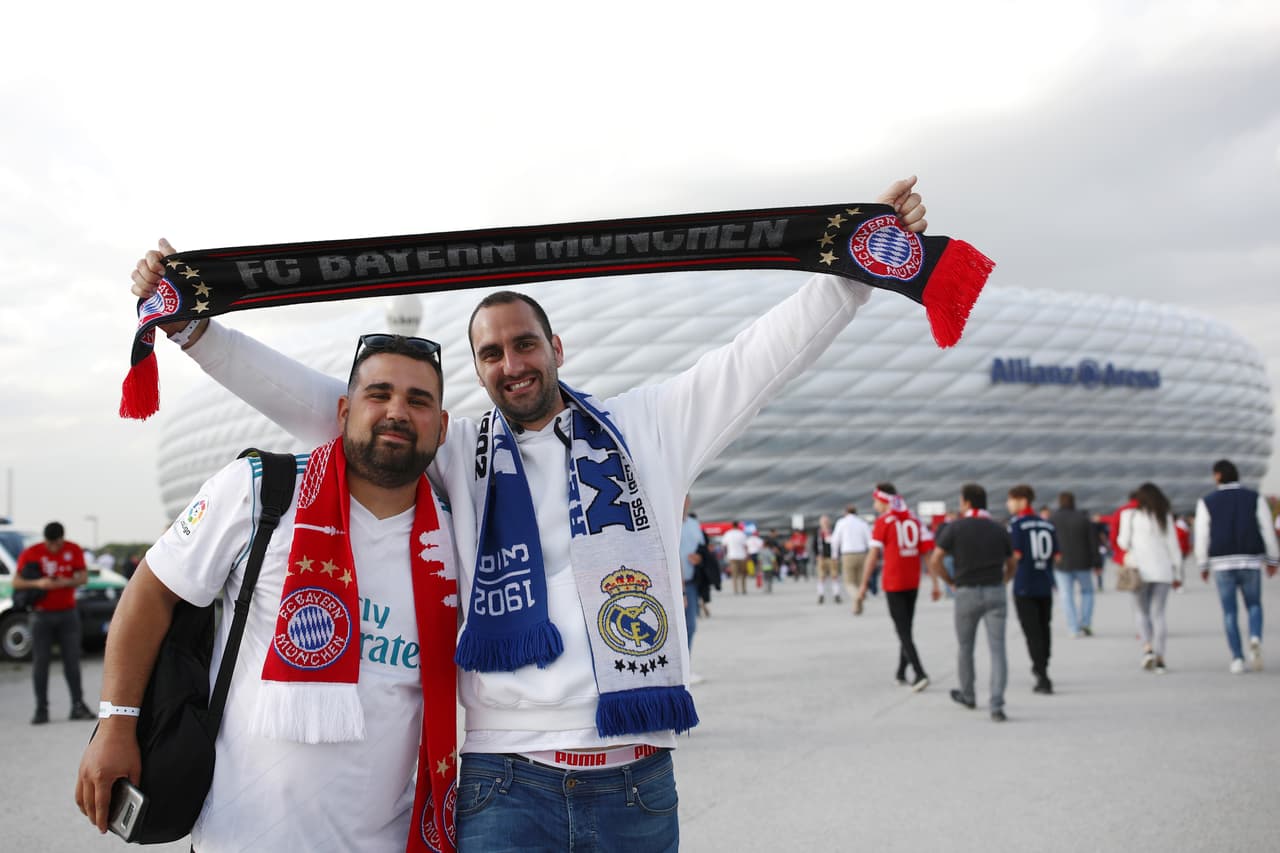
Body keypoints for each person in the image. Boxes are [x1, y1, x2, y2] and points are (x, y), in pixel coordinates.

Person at [128, 176, 932, 849]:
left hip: (635, 778)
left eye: (524, 344)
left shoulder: (651, 427)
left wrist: (855, 268)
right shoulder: (455, 445)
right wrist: (197, 330)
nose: (511, 363)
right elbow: (324, 405)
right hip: (504, 778)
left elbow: (763, 354)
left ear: (556, 347)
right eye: (490, 352)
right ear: (476, 370)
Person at [76, 334, 460, 850]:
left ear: (442, 427)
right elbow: (150, 593)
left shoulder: (458, 537)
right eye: (379, 393)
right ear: (343, 410)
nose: (397, 411)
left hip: (386, 838)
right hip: (241, 834)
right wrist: (115, 725)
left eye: (418, 401)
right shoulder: (262, 490)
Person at [928, 484, 1015, 722]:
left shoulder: (955, 528)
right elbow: (1012, 561)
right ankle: (996, 704)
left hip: (966, 591)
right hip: (995, 591)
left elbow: (935, 560)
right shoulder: (999, 528)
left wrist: (950, 582)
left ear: (966, 502)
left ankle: (968, 694)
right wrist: (1004, 580)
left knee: (965, 647)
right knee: (998, 650)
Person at [1193, 459, 1280, 674]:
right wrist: (1272, 559)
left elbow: (1202, 536)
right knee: (1254, 605)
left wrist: (1202, 564)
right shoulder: (1254, 498)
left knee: (1229, 611)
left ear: (1217, 476)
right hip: (1250, 559)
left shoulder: (1207, 502)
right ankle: (1255, 638)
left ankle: (1237, 658)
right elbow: (1267, 530)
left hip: (1222, 563)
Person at [858, 484, 938, 691]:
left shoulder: (883, 522)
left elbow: (873, 556)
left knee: (903, 631)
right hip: (913, 581)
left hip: (894, 582)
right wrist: (936, 583)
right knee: (907, 627)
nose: (874, 504)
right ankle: (901, 671)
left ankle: (919, 673)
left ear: (884, 501)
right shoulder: (914, 519)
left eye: (876, 500)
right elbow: (927, 553)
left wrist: (863, 584)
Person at [15, 522, 93, 725]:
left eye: (56, 544)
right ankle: (41, 708)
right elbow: (16, 582)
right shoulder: (32, 552)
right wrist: (39, 584)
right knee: (41, 662)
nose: (53, 548)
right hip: (41, 615)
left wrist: (65, 582)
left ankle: (77, 705)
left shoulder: (73, 549)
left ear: (62, 539)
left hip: (68, 613)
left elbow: (83, 577)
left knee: (72, 661)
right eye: (50, 544)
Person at [1117, 482, 1182, 674]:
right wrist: (1178, 573)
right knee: (1159, 614)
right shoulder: (1164, 517)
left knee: (1141, 612)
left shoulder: (1129, 516)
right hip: (1162, 571)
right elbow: (1174, 547)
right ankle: (1161, 658)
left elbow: (1122, 542)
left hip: (1139, 571)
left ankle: (1147, 649)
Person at [1006, 484, 1059, 695]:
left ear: (1021, 500)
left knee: (1032, 631)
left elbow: (1015, 555)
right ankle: (1044, 664)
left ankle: (1041, 674)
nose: (1008, 504)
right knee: (1045, 628)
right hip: (1045, 582)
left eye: (1010, 500)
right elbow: (1057, 555)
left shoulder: (1017, 525)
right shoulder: (1047, 525)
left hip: (1025, 584)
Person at [1050, 492, 1101, 637]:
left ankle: (1073, 627)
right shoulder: (1084, 519)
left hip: (1061, 563)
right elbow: (1093, 542)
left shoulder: (1053, 519)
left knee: (1066, 595)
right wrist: (1097, 562)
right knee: (1087, 592)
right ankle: (1085, 623)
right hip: (1083, 562)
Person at [679, 496, 707, 684]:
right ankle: (680, 670)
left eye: (687, 496)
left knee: (690, 626)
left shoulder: (693, 524)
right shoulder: (669, 522)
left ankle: (685, 667)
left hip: (692, 582)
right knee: (678, 628)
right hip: (676, 585)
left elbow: (703, 549)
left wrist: (699, 558)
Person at [831, 504, 871, 614]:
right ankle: (858, 607)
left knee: (849, 582)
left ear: (846, 512)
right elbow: (870, 540)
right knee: (859, 582)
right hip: (861, 553)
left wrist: (834, 556)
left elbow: (835, 541)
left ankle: (858, 596)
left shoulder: (841, 523)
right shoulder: (862, 523)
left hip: (847, 554)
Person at [812, 514, 837, 604]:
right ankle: (821, 594)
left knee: (834, 575)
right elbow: (814, 545)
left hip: (832, 557)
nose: (825, 523)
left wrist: (836, 555)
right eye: (823, 522)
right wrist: (817, 555)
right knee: (821, 576)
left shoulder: (833, 532)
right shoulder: (818, 533)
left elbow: (837, 543)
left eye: (826, 521)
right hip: (822, 557)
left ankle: (836, 594)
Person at [722, 521, 750, 595]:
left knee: (734, 574)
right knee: (743, 574)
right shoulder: (742, 534)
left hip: (732, 556)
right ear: (738, 526)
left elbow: (724, 545)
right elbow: (745, 546)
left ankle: (735, 590)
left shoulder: (728, 534)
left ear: (732, 526)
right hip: (741, 556)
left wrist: (726, 554)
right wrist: (747, 555)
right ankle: (743, 589)